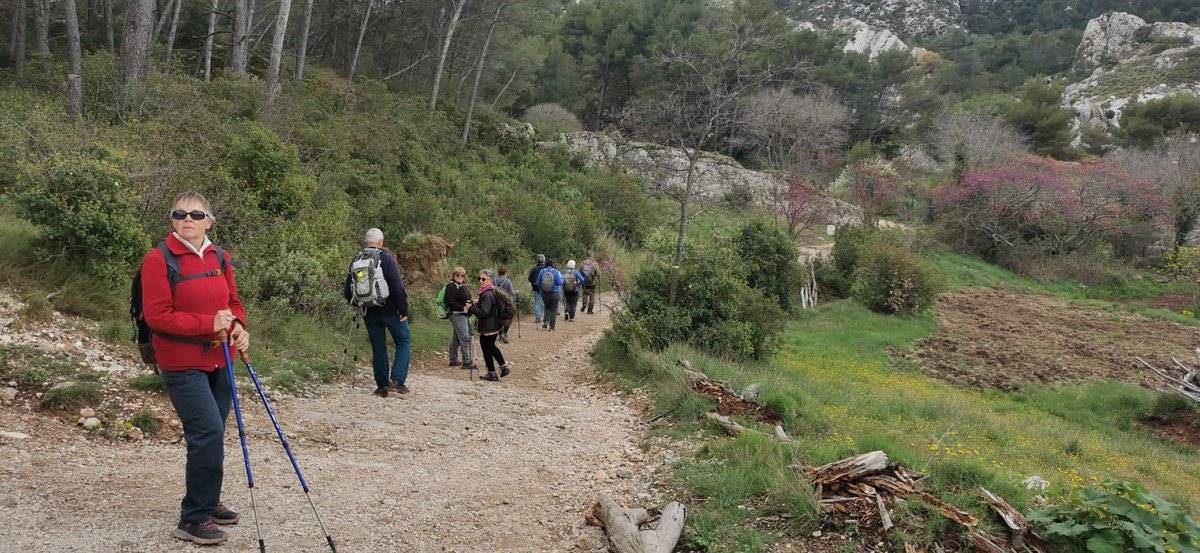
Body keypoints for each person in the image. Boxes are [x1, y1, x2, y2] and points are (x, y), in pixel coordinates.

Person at [140, 191, 247, 546]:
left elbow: (233, 303)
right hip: (182, 361)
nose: (188, 219)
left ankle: (208, 500)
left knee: (214, 432)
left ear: (209, 222)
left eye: (196, 215)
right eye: (180, 213)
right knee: (206, 431)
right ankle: (193, 517)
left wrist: (239, 328)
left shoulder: (220, 256)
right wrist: (209, 324)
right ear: (172, 219)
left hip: (221, 358)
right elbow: (157, 316)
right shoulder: (159, 260)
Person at [342, 228, 411, 398]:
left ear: (366, 242)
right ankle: (396, 381)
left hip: (368, 311)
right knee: (403, 341)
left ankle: (382, 386)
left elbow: (347, 290)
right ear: (381, 243)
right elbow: (397, 287)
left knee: (378, 347)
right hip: (390, 310)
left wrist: (358, 304)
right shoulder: (386, 259)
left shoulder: (357, 259)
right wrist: (403, 309)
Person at [469, 269, 511, 381]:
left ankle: (492, 373)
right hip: (494, 325)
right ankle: (503, 367)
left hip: (488, 327)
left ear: (490, 280)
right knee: (492, 347)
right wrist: (478, 302)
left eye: (484, 279)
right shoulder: (491, 291)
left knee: (487, 349)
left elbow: (483, 313)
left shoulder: (487, 294)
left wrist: (471, 308)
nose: (481, 281)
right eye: (479, 278)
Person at [444, 266, 476, 370]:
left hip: (463, 314)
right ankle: (467, 362)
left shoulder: (462, 286)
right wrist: (463, 307)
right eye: (457, 275)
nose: (460, 277)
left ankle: (453, 360)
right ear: (453, 276)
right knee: (465, 338)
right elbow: (450, 302)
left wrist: (471, 303)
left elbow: (464, 299)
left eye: (462, 275)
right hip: (457, 314)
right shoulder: (451, 286)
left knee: (456, 339)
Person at [536, 259, 564, 330]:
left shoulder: (542, 271)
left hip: (545, 293)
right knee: (554, 309)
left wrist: (541, 289)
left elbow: (538, 283)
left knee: (547, 307)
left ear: (546, 264)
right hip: (555, 293)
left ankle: (545, 322)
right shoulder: (556, 272)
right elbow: (560, 283)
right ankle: (552, 326)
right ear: (553, 264)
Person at [493, 265, 516, 344]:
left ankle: (500, 334)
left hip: (496, 303)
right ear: (506, 272)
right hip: (506, 304)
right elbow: (512, 293)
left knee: (498, 318)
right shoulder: (507, 281)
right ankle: (505, 333)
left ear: (498, 272)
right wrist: (517, 292)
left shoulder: (494, 280)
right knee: (509, 318)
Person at [526, 254, 546, 324]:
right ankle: (546, 318)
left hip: (536, 288)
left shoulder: (534, 269)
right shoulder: (546, 269)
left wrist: (533, 282)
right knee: (545, 303)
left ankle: (538, 318)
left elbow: (529, 279)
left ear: (537, 261)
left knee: (537, 303)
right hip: (545, 288)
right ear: (544, 260)